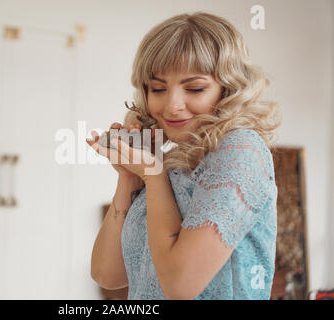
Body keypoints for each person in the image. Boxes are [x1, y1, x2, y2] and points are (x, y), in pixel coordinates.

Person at [86, 11, 282, 300]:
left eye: (195, 88)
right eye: (158, 89)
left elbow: (179, 286)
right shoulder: (172, 161)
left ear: (227, 89)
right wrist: (129, 177)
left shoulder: (242, 150)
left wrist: (152, 174)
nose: (172, 106)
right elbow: (107, 274)